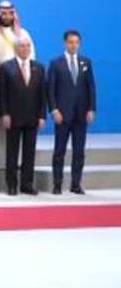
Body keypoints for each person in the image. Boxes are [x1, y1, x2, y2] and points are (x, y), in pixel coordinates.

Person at [0, 0, 35, 170]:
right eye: (3, 14)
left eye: (10, 13)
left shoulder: (23, 34)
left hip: (19, 87)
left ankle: (14, 163)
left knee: (15, 125)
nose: (7, 17)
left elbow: (31, 60)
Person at [48, 30, 97, 194]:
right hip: (63, 115)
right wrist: (54, 110)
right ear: (65, 43)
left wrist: (91, 108)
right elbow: (50, 90)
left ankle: (76, 184)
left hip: (81, 115)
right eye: (70, 42)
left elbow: (91, 87)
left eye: (76, 42)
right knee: (59, 151)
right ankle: (57, 184)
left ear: (80, 44)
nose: (73, 45)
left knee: (79, 151)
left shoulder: (86, 62)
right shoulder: (56, 63)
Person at [0, 36, 47, 195]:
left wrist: (42, 116)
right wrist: (4, 113)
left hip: (32, 117)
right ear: (15, 48)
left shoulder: (38, 67)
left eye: (27, 46)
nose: (25, 49)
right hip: (13, 117)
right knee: (12, 152)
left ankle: (27, 184)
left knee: (29, 153)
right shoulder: (6, 67)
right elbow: (2, 94)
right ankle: (11, 184)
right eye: (22, 46)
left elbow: (42, 94)